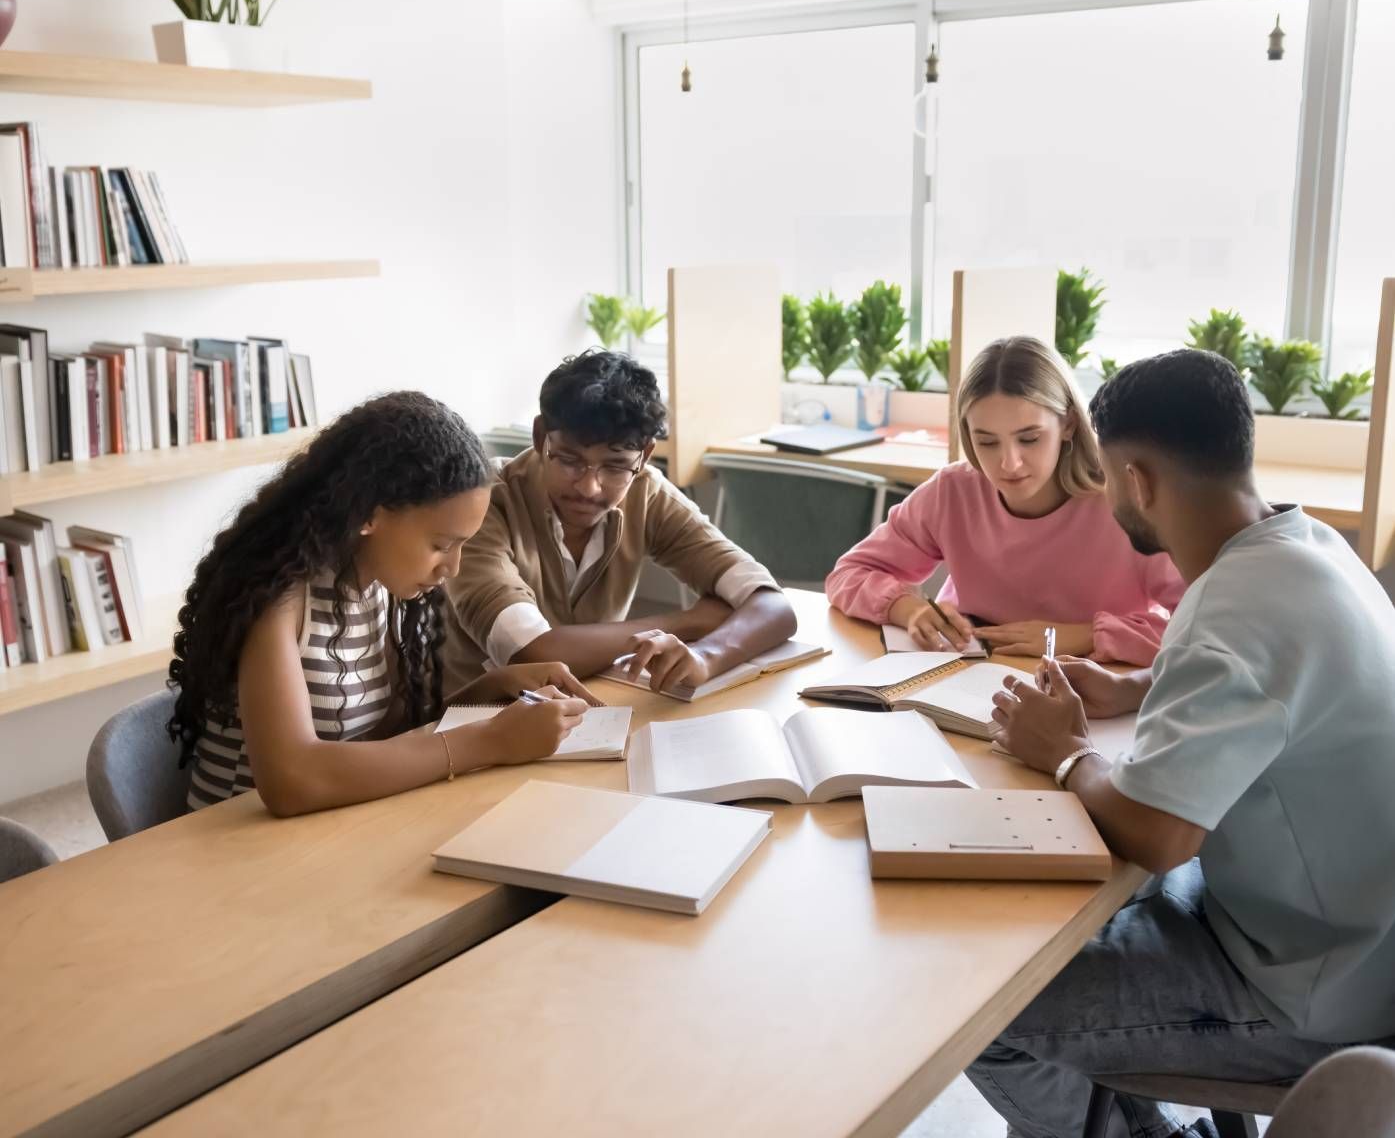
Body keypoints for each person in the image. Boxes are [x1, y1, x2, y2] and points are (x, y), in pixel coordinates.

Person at [973, 349, 1395, 1137]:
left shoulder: (1228, 613)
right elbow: (1278, 691)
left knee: (977, 1013)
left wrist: (1064, 753)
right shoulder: (1308, 548)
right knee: (1072, 925)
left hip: (1309, 988)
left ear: (1135, 480)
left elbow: (1159, 835)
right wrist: (1137, 688)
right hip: (1349, 936)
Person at [169, 391, 599, 817]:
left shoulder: (377, 586)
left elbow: (384, 738)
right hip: (235, 853)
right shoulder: (279, 600)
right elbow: (291, 780)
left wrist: (493, 690)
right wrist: (490, 740)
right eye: (441, 544)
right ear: (368, 516)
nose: (453, 566)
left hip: (328, 832)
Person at [441, 350, 797, 698]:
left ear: (644, 456)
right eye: (569, 460)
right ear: (539, 437)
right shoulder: (482, 500)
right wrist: (685, 623)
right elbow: (532, 653)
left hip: (597, 710)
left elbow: (772, 606)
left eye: (614, 466)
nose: (589, 487)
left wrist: (705, 657)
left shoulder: (646, 492)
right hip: (477, 724)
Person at [826, 336, 1183, 663]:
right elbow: (849, 573)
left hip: (1088, 695)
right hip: (959, 676)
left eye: (1029, 439)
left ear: (1069, 424)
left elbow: (1202, 626)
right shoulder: (953, 490)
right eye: (987, 442)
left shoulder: (1128, 501)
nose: (1008, 464)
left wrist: (1086, 636)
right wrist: (909, 609)